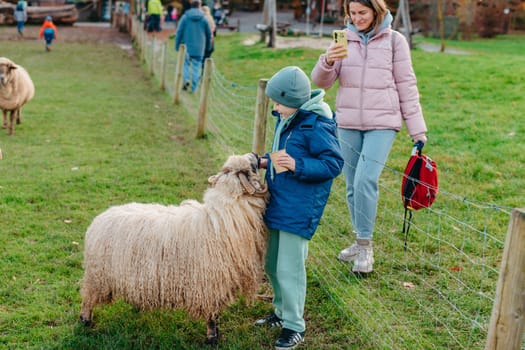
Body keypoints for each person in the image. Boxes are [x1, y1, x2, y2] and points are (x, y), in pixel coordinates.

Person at [311, 0, 428, 274]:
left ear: (378, 11)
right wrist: (328, 60)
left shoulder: (395, 41)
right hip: (348, 122)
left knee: (366, 179)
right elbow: (321, 82)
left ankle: (365, 248)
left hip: (383, 123)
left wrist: (417, 129)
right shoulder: (344, 40)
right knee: (352, 185)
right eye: (352, 13)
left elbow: (407, 84)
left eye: (362, 12)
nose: (356, 18)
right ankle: (358, 238)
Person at [255, 66, 344, 350]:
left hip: (300, 207)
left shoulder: (316, 125)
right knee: (271, 263)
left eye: (278, 102)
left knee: (289, 268)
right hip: (279, 201)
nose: (275, 106)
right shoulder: (289, 119)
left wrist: (298, 165)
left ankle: (294, 326)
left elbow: (333, 163)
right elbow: (286, 155)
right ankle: (280, 312)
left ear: (293, 100)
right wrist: (264, 162)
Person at [175, 0, 212, 93]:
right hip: (200, 47)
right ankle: (194, 88)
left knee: (185, 64)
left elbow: (179, 32)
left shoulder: (185, 17)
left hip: (187, 46)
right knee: (197, 66)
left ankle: (186, 79)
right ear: (199, 6)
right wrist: (208, 47)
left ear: (191, 6)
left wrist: (177, 45)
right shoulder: (204, 19)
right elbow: (208, 34)